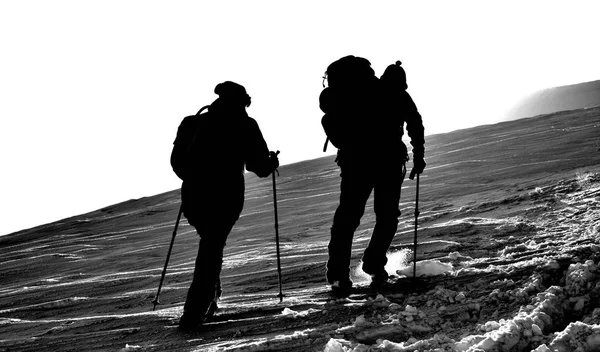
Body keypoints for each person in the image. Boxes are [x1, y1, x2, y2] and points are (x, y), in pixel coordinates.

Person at [170, 81, 279, 330]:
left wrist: (195, 176)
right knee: (212, 246)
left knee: (210, 243)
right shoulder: (245, 124)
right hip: (227, 198)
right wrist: (271, 162)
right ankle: (195, 310)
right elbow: (258, 166)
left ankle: (207, 299)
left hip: (194, 198)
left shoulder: (193, 122)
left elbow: (177, 162)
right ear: (243, 101)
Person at [321, 58, 426, 296]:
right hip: (388, 161)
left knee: (347, 219)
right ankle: (374, 263)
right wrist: (418, 155)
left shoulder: (344, 97)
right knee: (387, 215)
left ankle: (338, 274)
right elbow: (414, 122)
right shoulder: (391, 91)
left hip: (355, 164)